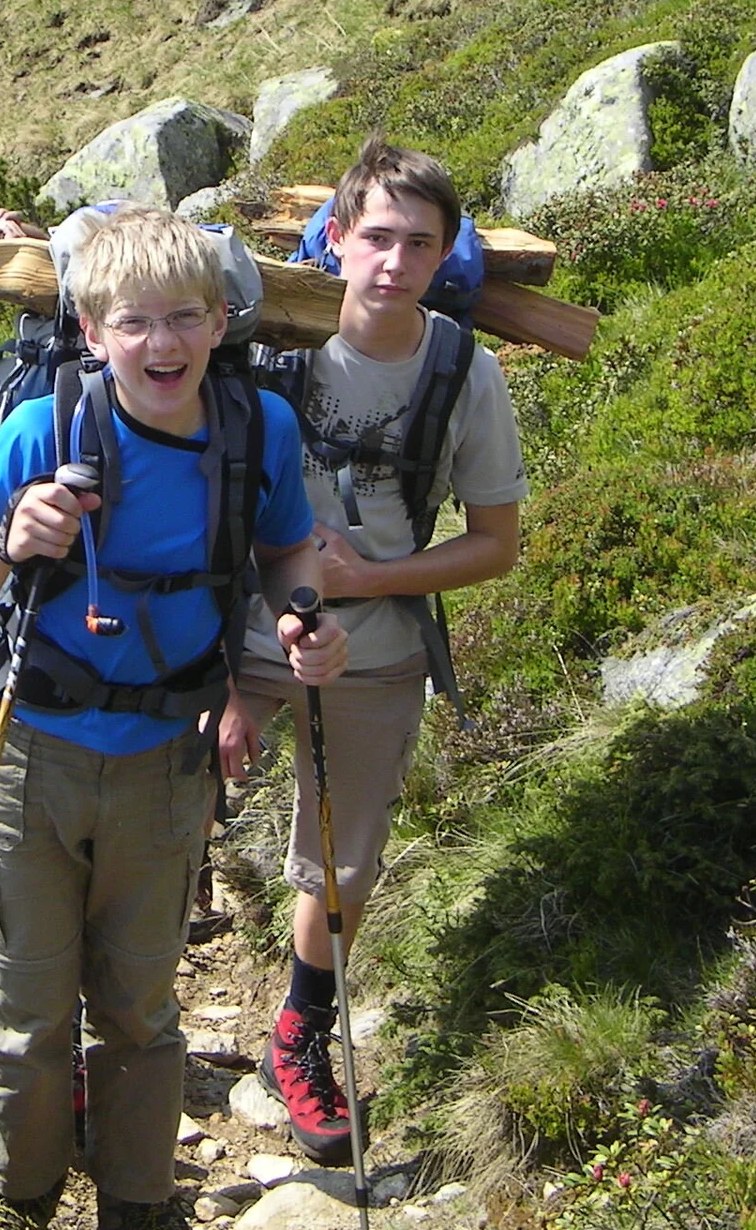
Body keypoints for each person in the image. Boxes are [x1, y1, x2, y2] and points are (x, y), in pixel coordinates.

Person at [0, 204, 348, 1230]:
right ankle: (16, 1201)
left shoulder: (258, 430)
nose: (162, 345)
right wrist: (6, 545)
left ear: (219, 321)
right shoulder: (43, 427)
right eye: (135, 323)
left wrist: (303, 621)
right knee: (25, 1017)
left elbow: (289, 552)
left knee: (141, 1014)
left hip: (168, 757)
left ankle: (140, 1206)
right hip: (31, 750)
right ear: (90, 325)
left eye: (185, 319)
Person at [222, 138, 528, 1164]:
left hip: (378, 646)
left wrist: (365, 582)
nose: (395, 262)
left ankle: (300, 1035)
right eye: (378, 238)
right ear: (338, 239)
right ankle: (116, 1029)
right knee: (154, 819)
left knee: (341, 864)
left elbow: (496, 544)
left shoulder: (462, 370)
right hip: (235, 632)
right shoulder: (264, 344)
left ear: (446, 256)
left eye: (420, 244)